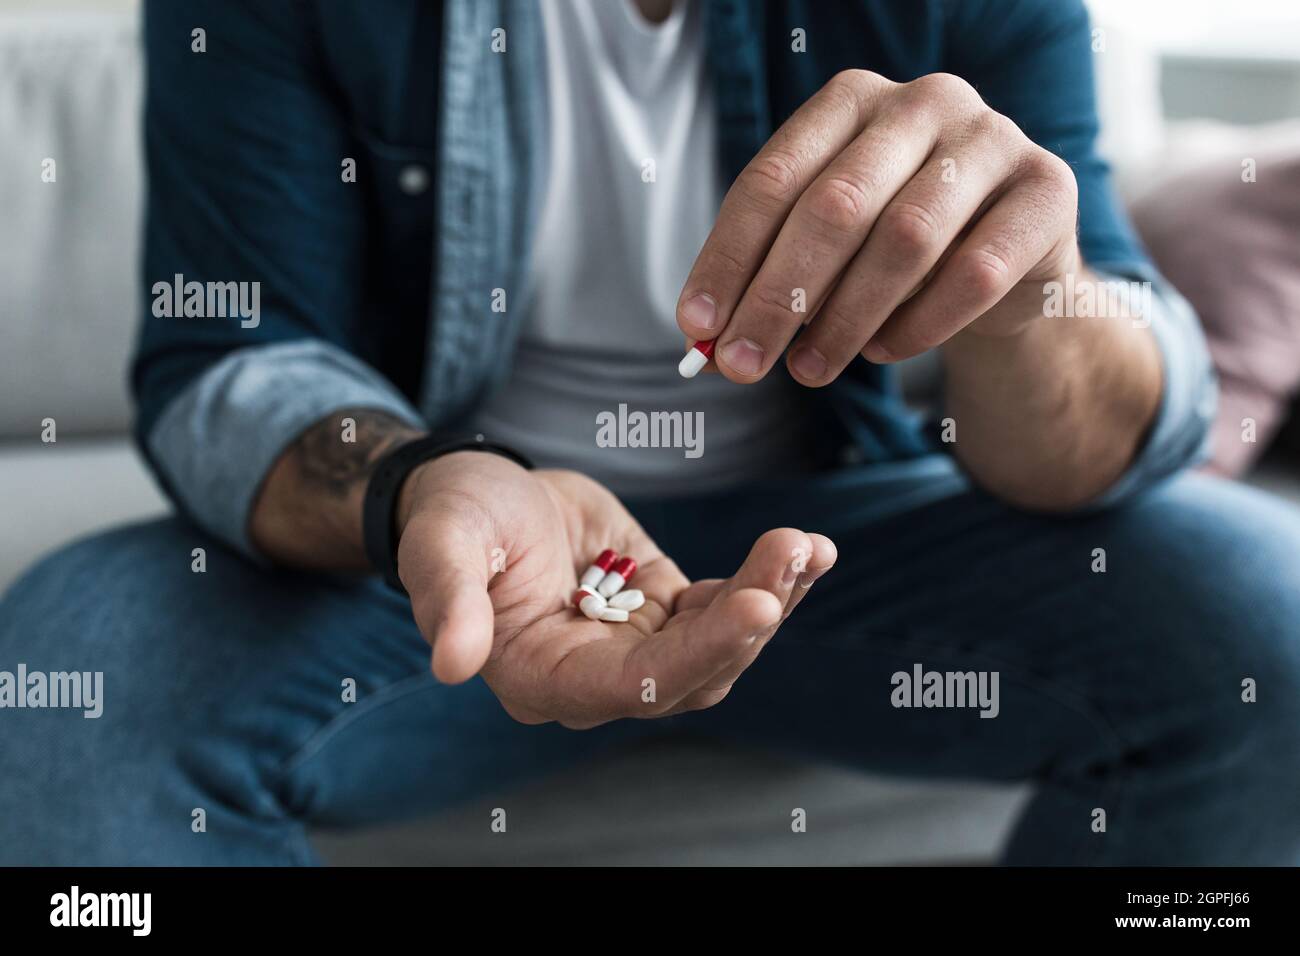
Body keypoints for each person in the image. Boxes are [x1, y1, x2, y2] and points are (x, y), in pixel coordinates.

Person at [2, 0, 1297, 865]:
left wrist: (1031, 297)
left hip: (863, 532)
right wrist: (425, 492)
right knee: (70, 692)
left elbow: (1099, 446)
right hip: (442, 552)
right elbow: (229, 357)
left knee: (1272, 627)